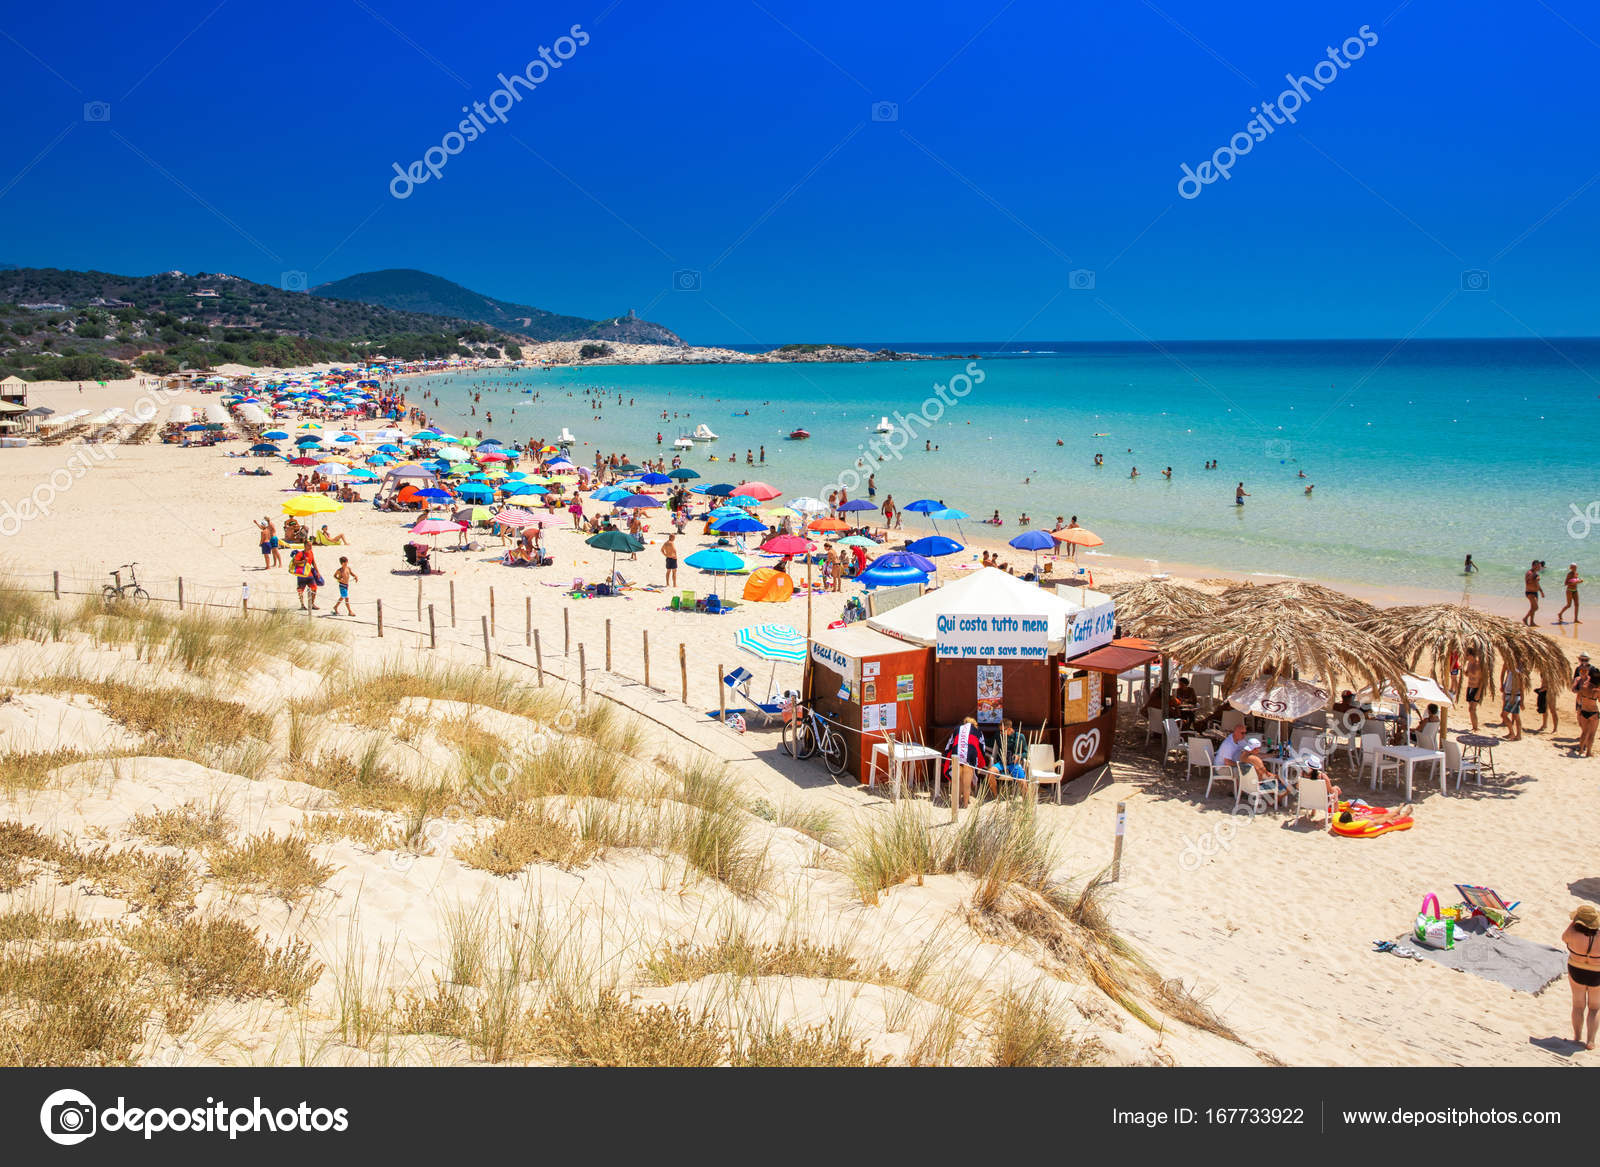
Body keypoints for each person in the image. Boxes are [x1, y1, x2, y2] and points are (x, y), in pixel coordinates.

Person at [1564, 905, 1600, 1050]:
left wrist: (1574, 922)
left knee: (1578, 1005)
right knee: (1594, 1008)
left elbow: (1564, 938)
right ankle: (1590, 1041)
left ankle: (1577, 1037)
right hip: (1597, 972)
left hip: (1576, 969)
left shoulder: (1572, 934)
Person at [941, 717, 987, 809]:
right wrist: (980, 762)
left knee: (957, 782)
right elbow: (982, 747)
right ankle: (965, 805)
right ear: (974, 724)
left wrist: (945, 758)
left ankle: (956, 803)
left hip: (956, 756)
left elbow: (949, 744)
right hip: (970, 756)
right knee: (967, 784)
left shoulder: (957, 729)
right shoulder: (978, 731)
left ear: (964, 723)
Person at [988, 718, 1030, 793]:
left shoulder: (1020, 736)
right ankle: (995, 797)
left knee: (1023, 782)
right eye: (1000, 730)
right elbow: (989, 742)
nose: (1000, 732)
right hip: (1002, 762)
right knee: (990, 772)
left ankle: (1025, 799)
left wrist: (1019, 756)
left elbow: (1026, 753)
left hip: (1014, 764)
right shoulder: (998, 735)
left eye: (1002, 730)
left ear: (1010, 729)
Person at [1575, 666, 1600, 757]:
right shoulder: (1597, 690)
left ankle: (1581, 750)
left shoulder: (1583, 687)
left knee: (1584, 732)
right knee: (1592, 734)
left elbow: (1578, 700)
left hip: (1584, 711)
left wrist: (1580, 709)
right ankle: (1588, 752)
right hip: (1593, 712)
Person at [1501, 662, 1524, 740]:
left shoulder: (1517, 673)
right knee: (1516, 716)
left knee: (1504, 715)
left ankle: (1512, 733)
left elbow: (1521, 688)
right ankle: (1517, 735)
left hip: (1513, 697)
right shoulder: (1510, 671)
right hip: (1510, 696)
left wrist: (1522, 701)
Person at [1463, 648, 1485, 731]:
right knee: (1470, 709)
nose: (1466, 656)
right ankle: (1474, 727)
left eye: (1467, 655)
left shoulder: (1478, 665)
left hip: (1476, 688)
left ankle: (1476, 728)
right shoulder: (1469, 663)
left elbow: (1482, 680)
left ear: (1471, 655)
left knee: (1472, 709)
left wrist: (1478, 692)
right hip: (1470, 687)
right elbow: (1467, 674)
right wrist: (1463, 671)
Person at [1524, 560, 1544, 625]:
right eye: (1538, 566)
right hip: (1530, 592)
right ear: (1533, 566)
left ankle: (1532, 622)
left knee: (1533, 608)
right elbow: (1528, 581)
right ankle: (1525, 618)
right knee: (1536, 607)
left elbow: (1537, 584)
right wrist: (1535, 577)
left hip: (1535, 592)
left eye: (1539, 566)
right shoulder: (1529, 573)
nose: (1539, 567)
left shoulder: (1536, 574)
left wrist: (1541, 591)